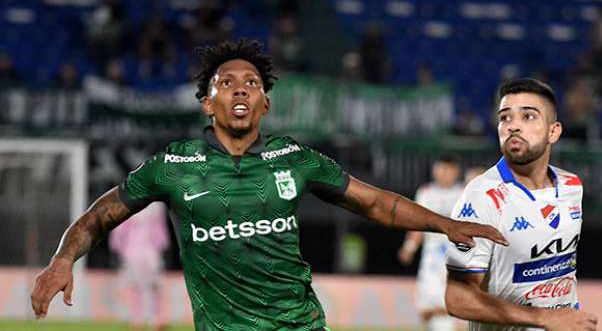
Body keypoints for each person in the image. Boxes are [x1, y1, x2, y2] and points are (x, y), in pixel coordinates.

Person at [30, 39, 506, 330]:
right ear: (206, 103)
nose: (240, 88)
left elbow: (376, 203)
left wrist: (443, 224)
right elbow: (100, 215)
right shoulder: (172, 166)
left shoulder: (295, 159)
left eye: (252, 82)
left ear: (266, 105)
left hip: (299, 325)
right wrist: (61, 259)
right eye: (226, 82)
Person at [444, 78, 598, 331]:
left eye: (528, 117)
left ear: (553, 132)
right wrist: (544, 318)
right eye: (505, 118)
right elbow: (457, 299)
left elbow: (563, 273)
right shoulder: (482, 197)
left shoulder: (572, 186)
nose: (513, 126)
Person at [398, 156, 464, 331]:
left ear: (455, 172)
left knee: (447, 306)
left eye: (447, 170)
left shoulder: (464, 193)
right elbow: (416, 224)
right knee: (426, 310)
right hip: (430, 259)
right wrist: (409, 247)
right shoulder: (426, 193)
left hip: (455, 258)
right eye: (440, 169)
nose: (443, 174)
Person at [109, 202, 170, 331]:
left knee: (155, 285)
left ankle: (156, 319)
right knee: (134, 285)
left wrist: (163, 246)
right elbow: (120, 228)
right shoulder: (128, 202)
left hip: (151, 250)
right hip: (132, 250)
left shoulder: (156, 205)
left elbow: (160, 226)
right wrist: (117, 248)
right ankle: (137, 319)